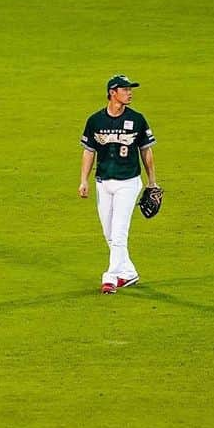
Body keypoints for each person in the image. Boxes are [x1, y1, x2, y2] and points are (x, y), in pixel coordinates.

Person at [79, 75, 158, 294]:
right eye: (125, 89)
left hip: (128, 182)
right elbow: (89, 151)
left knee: (119, 231)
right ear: (113, 93)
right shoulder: (95, 121)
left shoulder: (138, 119)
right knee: (109, 233)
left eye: (130, 89)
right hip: (103, 182)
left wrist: (152, 182)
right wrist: (83, 180)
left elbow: (146, 151)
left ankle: (110, 278)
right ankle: (129, 273)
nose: (130, 92)